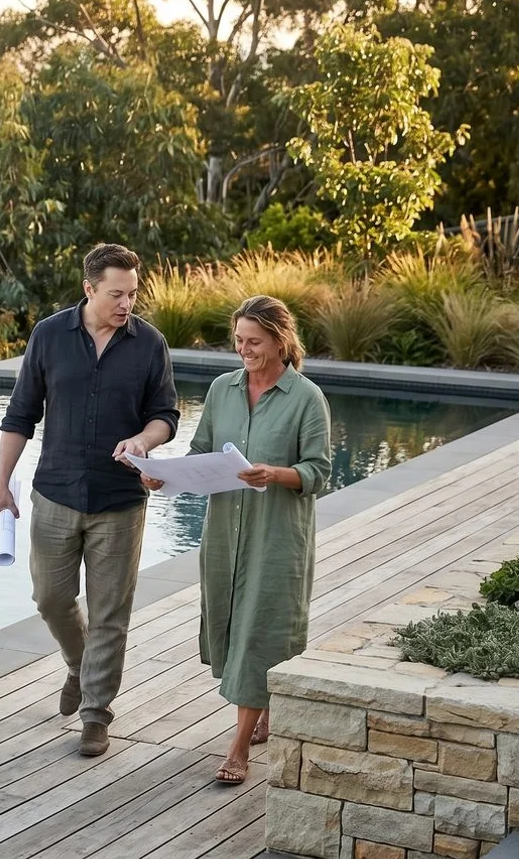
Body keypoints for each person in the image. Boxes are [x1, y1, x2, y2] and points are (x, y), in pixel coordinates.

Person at [0, 243, 180, 758]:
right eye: (116, 294)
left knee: (110, 611)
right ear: (89, 288)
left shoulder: (149, 344)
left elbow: (166, 415)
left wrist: (145, 440)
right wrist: (1, 483)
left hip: (120, 500)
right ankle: (78, 663)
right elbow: (20, 413)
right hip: (55, 493)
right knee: (49, 598)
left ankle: (96, 714)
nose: (126, 303)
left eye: (133, 293)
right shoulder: (49, 335)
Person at [142, 294, 331, 785]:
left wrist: (278, 473)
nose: (243, 350)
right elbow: (203, 451)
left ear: (280, 340)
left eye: (254, 342)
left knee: (258, 628)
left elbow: (318, 472)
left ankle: (239, 746)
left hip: (276, 537)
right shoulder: (223, 390)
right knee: (231, 623)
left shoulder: (307, 398)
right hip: (225, 533)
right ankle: (262, 706)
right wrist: (165, 475)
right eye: (239, 341)